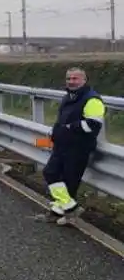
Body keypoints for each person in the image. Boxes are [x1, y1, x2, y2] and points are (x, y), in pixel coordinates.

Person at [39, 67, 106, 225]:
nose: (71, 81)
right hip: (62, 145)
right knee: (51, 173)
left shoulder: (92, 99)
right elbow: (62, 120)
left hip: (78, 147)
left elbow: (93, 125)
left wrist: (70, 127)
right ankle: (70, 208)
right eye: (68, 78)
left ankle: (60, 212)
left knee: (69, 181)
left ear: (84, 80)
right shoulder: (68, 97)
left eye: (75, 78)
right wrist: (55, 133)